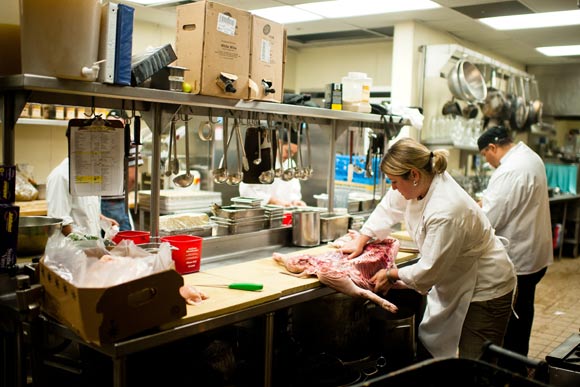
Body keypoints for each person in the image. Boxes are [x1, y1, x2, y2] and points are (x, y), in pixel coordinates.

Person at [340, 137, 517, 360]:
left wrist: (391, 274)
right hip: (455, 279)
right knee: (435, 347)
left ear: (413, 174)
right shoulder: (422, 181)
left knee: (476, 364)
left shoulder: (446, 209)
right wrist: (362, 238)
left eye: (394, 181)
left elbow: (429, 270)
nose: (393, 188)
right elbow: (388, 207)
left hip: (486, 287)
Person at [477, 126, 553, 371]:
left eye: (484, 156)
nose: (487, 162)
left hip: (519, 259)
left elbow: (489, 219)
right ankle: (518, 362)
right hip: (534, 256)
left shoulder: (509, 170)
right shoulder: (530, 157)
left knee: (513, 319)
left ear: (492, 148)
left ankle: (511, 369)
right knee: (523, 313)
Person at [47, 157, 118, 236]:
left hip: (90, 245)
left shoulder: (89, 173)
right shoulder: (60, 176)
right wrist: (83, 244)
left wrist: (103, 220)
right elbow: (60, 221)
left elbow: (84, 208)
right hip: (70, 247)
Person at [239, 127, 306, 207]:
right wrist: (272, 201)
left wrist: (295, 201)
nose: (289, 156)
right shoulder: (261, 161)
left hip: (283, 214)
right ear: (279, 143)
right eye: (288, 151)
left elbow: (294, 191)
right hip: (261, 213)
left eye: (293, 153)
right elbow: (246, 191)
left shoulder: (290, 164)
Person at [101, 145, 143, 231]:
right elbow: (132, 177)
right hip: (112, 202)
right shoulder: (127, 138)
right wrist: (121, 192)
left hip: (90, 201)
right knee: (120, 241)